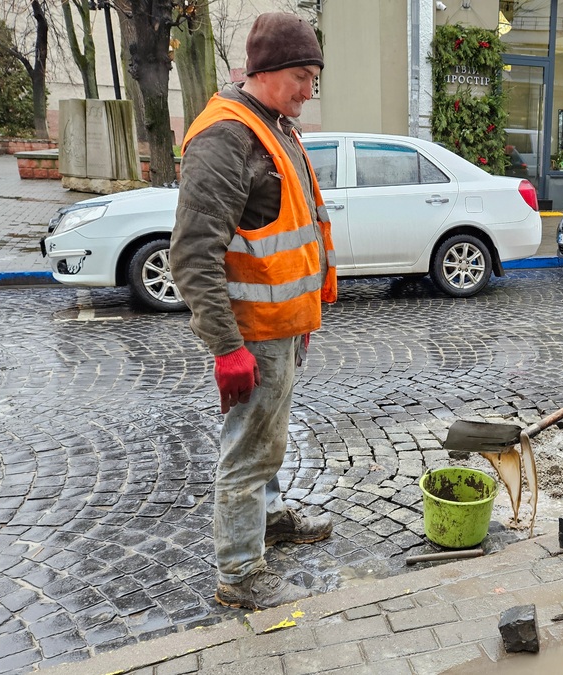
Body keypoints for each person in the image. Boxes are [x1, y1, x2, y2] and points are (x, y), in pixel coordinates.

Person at [169, 12, 338, 610]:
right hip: (251, 333)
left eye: (313, 77)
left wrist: (302, 317)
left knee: (268, 437)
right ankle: (238, 575)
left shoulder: (274, 124)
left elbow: (288, 233)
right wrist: (226, 348)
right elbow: (191, 255)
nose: (307, 91)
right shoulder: (226, 136)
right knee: (249, 450)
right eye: (300, 76)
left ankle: (266, 520)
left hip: (281, 327)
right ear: (262, 71)